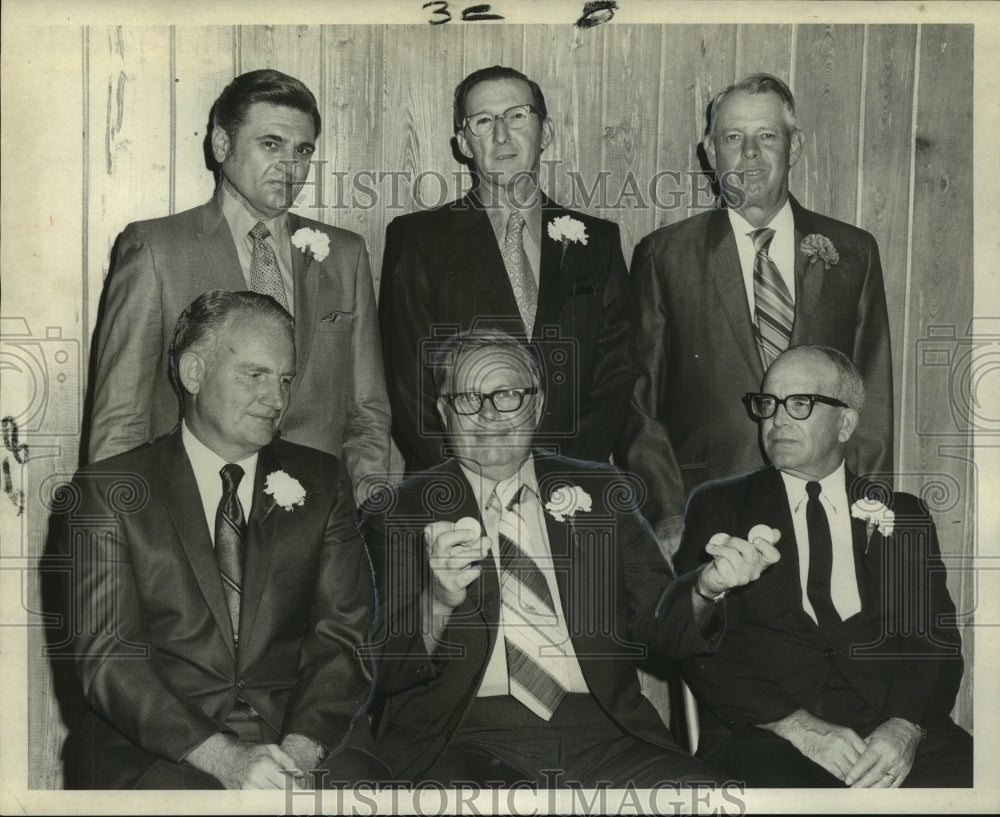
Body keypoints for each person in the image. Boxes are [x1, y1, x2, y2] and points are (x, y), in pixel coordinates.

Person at [361, 329, 777, 786]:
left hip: (608, 736)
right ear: (443, 412)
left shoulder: (603, 491)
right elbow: (383, 667)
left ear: (537, 405)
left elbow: (662, 624)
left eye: (508, 395)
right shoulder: (398, 511)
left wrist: (706, 587)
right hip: (462, 741)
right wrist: (437, 601)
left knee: (713, 803)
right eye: (467, 399)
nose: (488, 414)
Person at [58, 291, 383, 789]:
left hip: (298, 740)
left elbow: (344, 638)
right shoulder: (106, 493)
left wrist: (296, 755)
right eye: (255, 375)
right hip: (161, 750)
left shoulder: (323, 483)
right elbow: (109, 660)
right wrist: (227, 760)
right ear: (193, 373)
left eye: (285, 379)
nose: (276, 400)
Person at [617, 73, 893, 555]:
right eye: (732, 138)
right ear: (709, 151)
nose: (749, 153)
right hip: (707, 519)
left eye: (766, 136)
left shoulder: (853, 252)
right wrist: (667, 515)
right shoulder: (665, 255)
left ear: (795, 146)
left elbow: (868, 396)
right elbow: (640, 402)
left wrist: (869, 510)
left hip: (823, 514)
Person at [86, 69, 390, 503]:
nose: (291, 166)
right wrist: (118, 533)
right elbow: (121, 416)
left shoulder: (345, 254)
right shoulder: (156, 249)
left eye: (303, 150)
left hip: (317, 524)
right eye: (271, 144)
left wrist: (366, 517)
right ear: (222, 144)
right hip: (191, 516)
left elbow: (368, 412)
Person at [674, 345, 972, 788]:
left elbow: (935, 643)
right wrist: (799, 728)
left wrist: (905, 728)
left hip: (891, 739)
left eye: (800, 403)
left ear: (846, 422)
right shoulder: (720, 506)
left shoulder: (902, 515)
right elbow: (696, 644)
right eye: (768, 404)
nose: (777, 420)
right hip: (769, 739)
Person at [379, 65, 634, 474]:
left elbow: (615, 376)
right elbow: (410, 387)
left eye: (517, 115)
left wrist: (563, 476)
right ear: (463, 143)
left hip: (569, 491)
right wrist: (473, 484)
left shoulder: (598, 241)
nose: (501, 135)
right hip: (458, 495)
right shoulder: (418, 239)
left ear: (545, 131)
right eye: (483, 121)